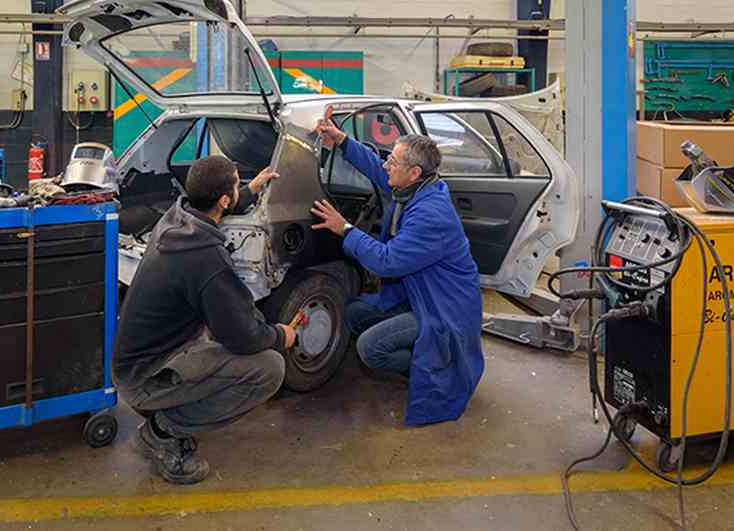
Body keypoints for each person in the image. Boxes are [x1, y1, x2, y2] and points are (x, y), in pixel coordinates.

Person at [115, 156, 296, 485]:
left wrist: (251, 192)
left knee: (217, 333)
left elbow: (218, 208)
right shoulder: (206, 258)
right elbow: (243, 336)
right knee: (269, 368)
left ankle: (166, 417)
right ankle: (163, 432)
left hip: (131, 363)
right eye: (238, 184)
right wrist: (281, 335)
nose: (243, 187)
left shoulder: (177, 217)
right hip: (148, 379)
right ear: (225, 199)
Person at [311, 120, 485, 426]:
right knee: (352, 311)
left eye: (393, 161)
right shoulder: (414, 187)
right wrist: (341, 140)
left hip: (442, 307)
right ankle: (418, 350)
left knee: (369, 348)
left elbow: (387, 262)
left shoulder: (431, 215)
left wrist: (346, 228)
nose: (386, 165)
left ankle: (427, 366)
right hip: (420, 293)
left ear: (414, 172)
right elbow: (378, 169)